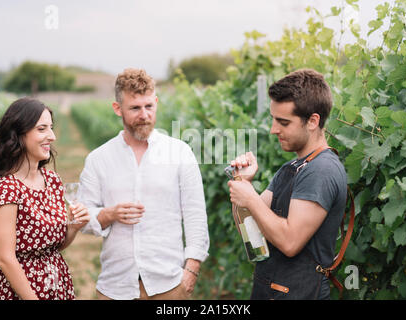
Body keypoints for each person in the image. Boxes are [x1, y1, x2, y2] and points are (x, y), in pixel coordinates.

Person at [78, 68, 209, 300]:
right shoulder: (99, 159)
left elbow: (195, 214)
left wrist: (191, 271)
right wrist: (109, 214)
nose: (144, 115)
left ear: (156, 102)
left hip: (169, 285)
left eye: (149, 106)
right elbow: (83, 217)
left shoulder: (179, 153)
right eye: (135, 108)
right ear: (117, 109)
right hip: (115, 287)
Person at [228, 69, 347, 300]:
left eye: (283, 122)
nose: (274, 129)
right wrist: (242, 182)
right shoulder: (291, 168)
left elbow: (290, 242)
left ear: (313, 121)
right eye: (274, 120)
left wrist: (251, 196)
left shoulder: (321, 170)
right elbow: (250, 230)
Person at [0, 97, 90, 300]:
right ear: (19, 135)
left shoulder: (52, 180)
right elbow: (5, 259)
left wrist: (73, 228)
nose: (51, 136)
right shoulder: (7, 189)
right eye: (42, 129)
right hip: (23, 292)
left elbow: (52, 246)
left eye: (51, 128)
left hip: (57, 285)